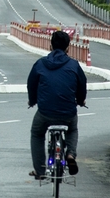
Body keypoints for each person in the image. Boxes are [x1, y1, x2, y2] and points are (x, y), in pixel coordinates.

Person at [27, 30, 87, 179]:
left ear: (50, 46)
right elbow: (82, 85)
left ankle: (40, 171)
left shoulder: (40, 64)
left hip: (45, 113)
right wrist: (80, 101)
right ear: (68, 47)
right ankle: (71, 154)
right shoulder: (74, 65)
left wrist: (32, 100)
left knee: (37, 133)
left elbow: (31, 84)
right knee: (72, 129)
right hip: (68, 113)